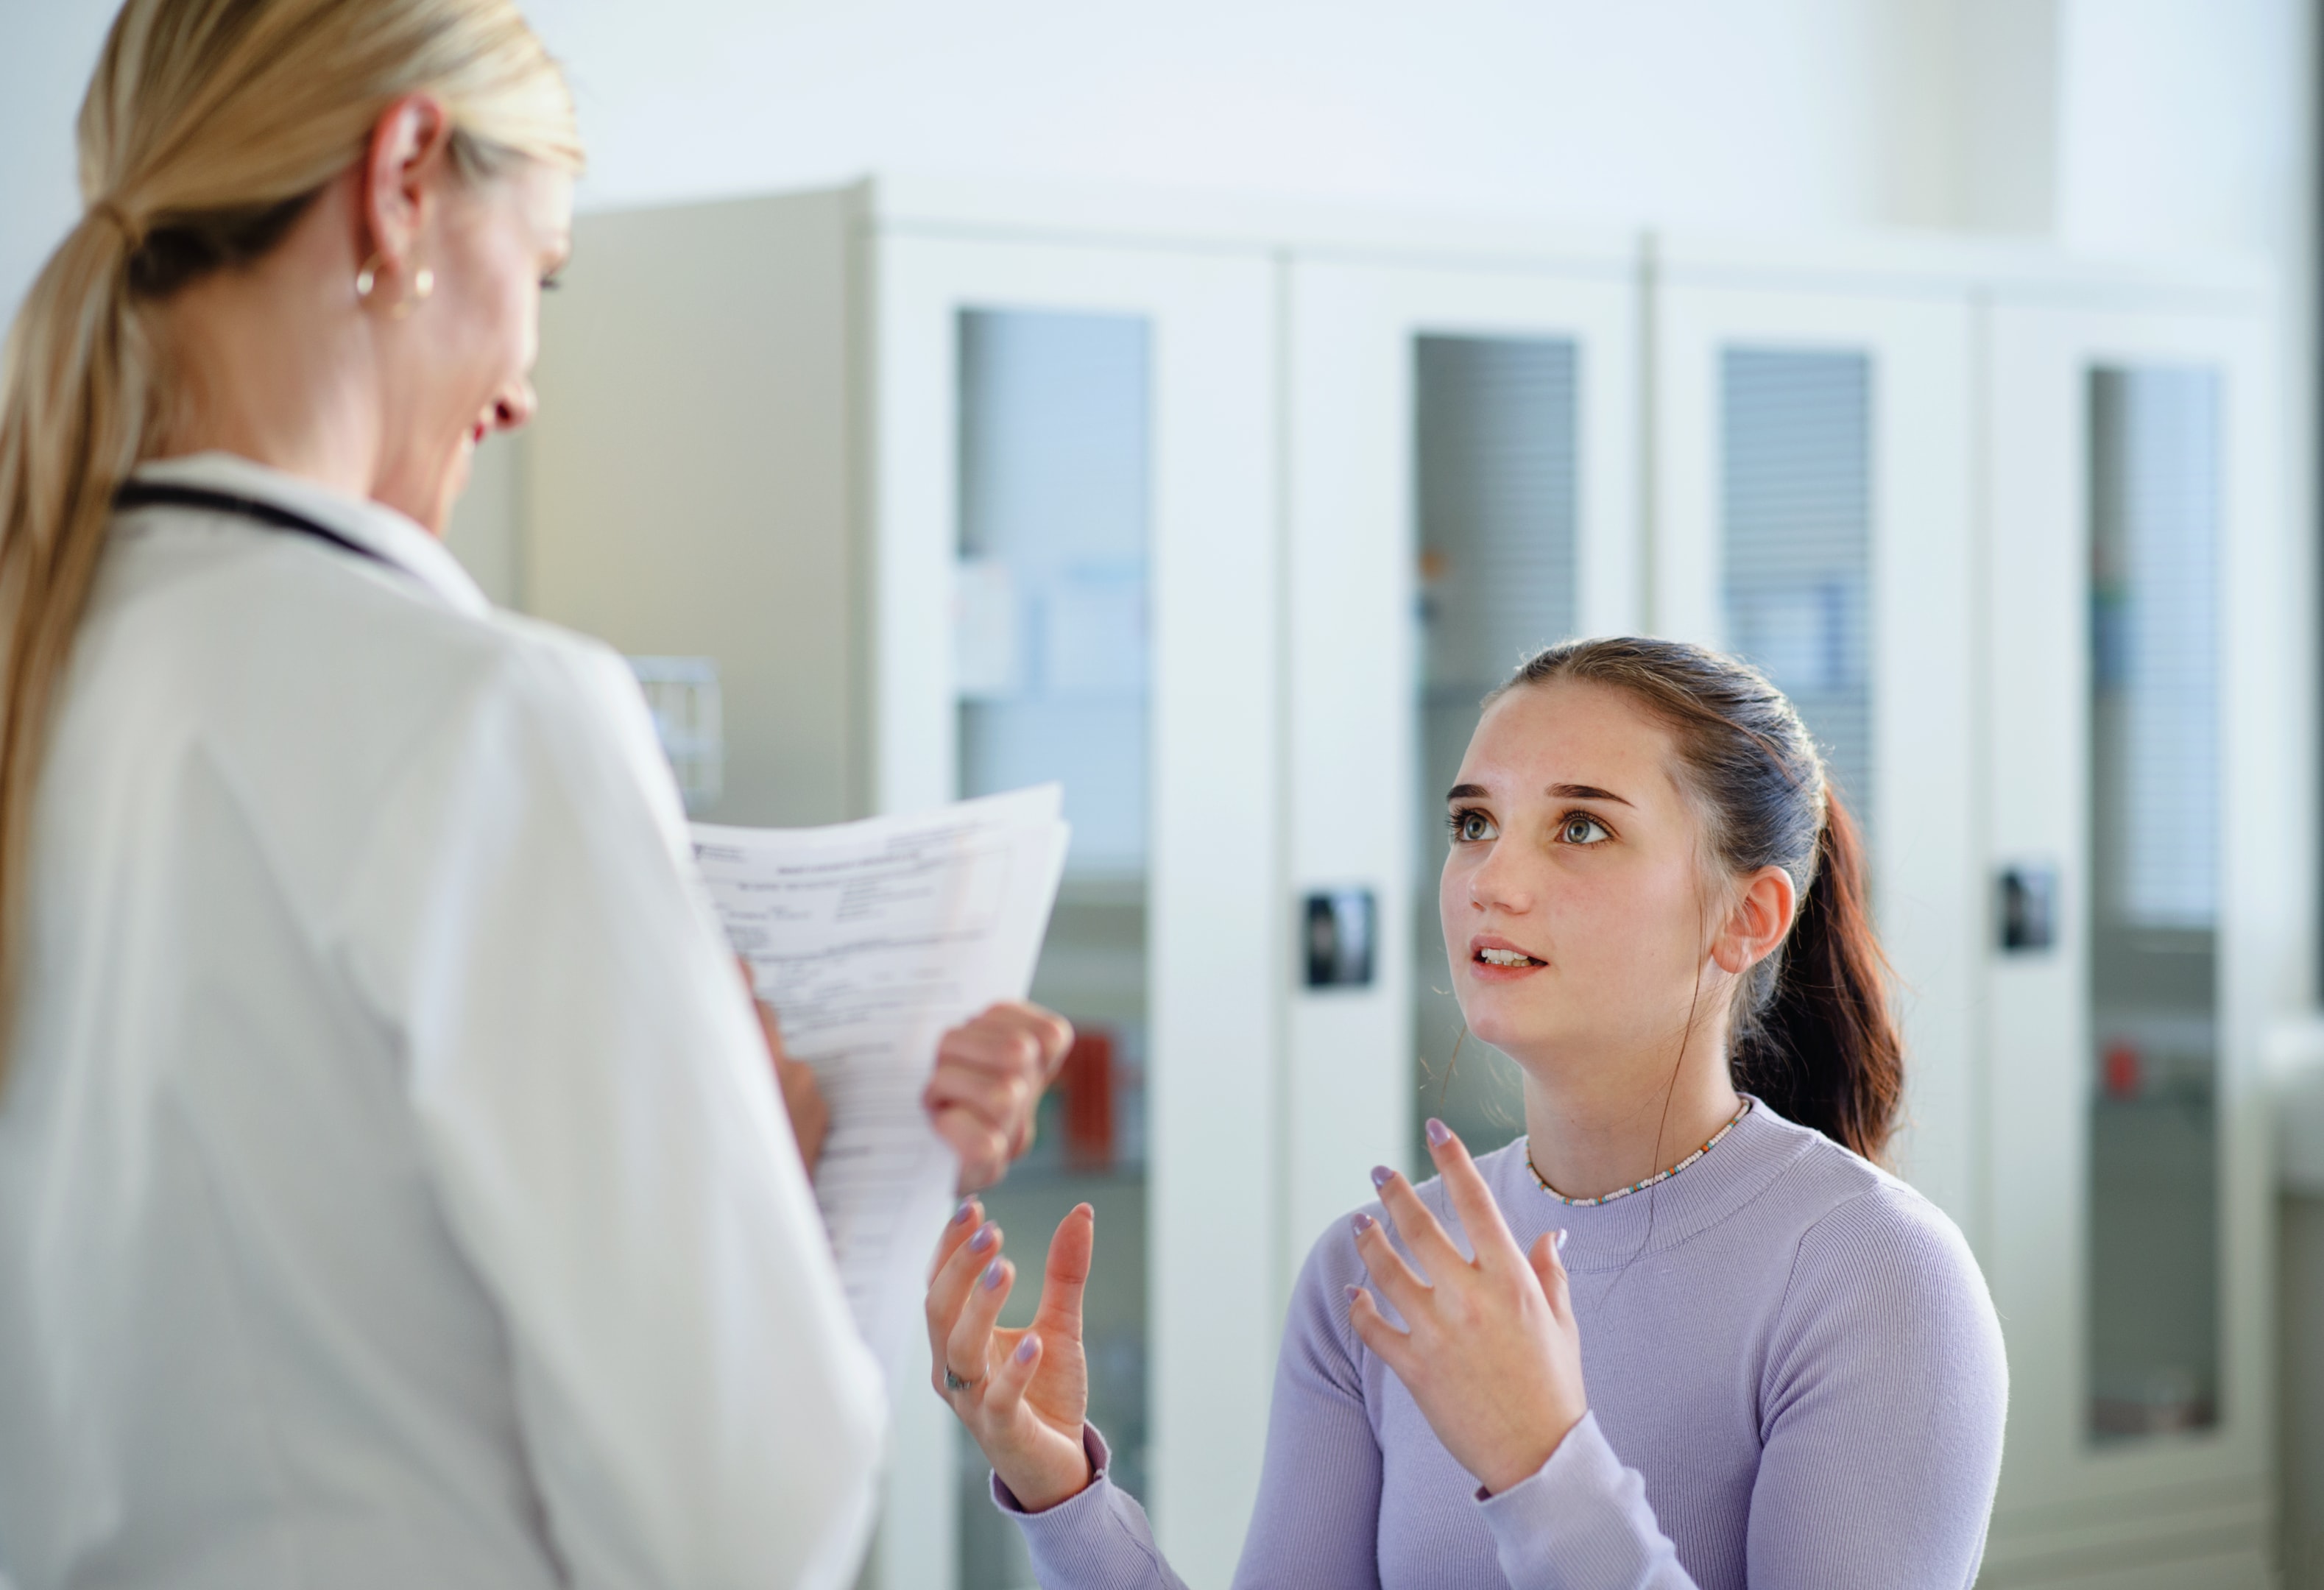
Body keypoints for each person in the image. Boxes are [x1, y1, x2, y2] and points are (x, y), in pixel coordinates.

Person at [0, 4, 1069, 1588]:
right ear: (403, 183)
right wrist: (767, 1180)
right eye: (545, 276)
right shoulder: (483, 716)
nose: (522, 391)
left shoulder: (57, 660)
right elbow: (748, 1523)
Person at [930, 636, 2010, 1589]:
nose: (1492, 878)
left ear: (1748, 916)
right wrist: (1059, 1492)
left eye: (1580, 827)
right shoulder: (1371, 1271)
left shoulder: (1878, 1275)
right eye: (1473, 822)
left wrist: (1541, 1461)